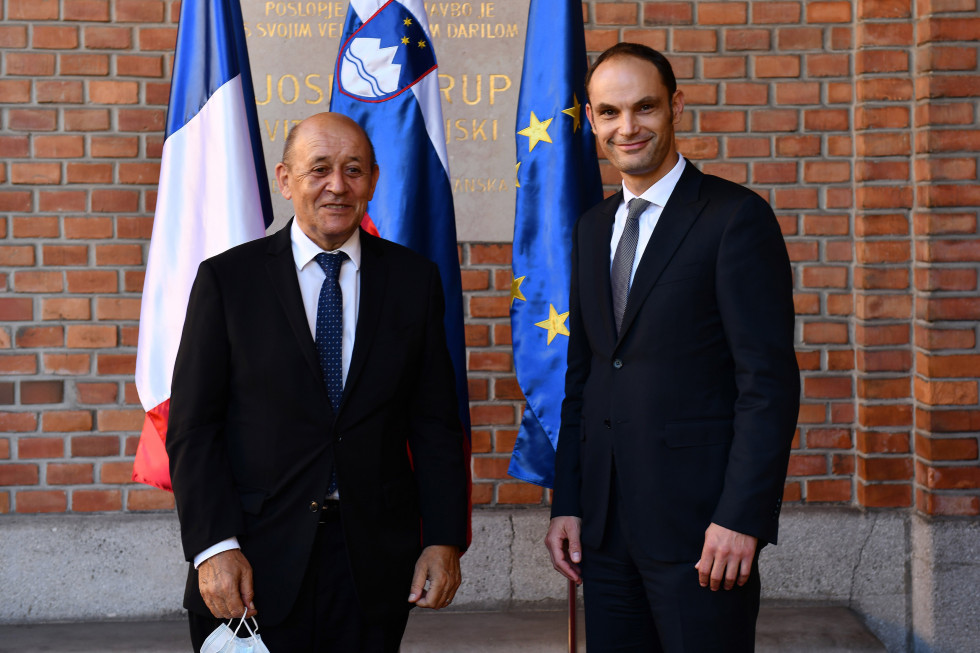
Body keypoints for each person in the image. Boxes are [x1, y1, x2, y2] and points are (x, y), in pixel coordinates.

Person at [166, 112, 468, 652]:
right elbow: (194, 428)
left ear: (373, 180)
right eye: (319, 169)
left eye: (354, 170)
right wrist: (213, 546)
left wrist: (443, 538)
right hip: (250, 564)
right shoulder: (227, 281)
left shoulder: (413, 281)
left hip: (371, 565)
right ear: (285, 180)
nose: (338, 185)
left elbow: (436, 424)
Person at [545, 43, 800, 652]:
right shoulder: (592, 228)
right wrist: (569, 502)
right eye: (609, 112)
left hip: (702, 533)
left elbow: (767, 386)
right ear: (592, 118)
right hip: (604, 536)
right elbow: (584, 377)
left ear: (676, 107)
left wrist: (742, 517)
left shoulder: (735, 218)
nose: (626, 127)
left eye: (644, 108)